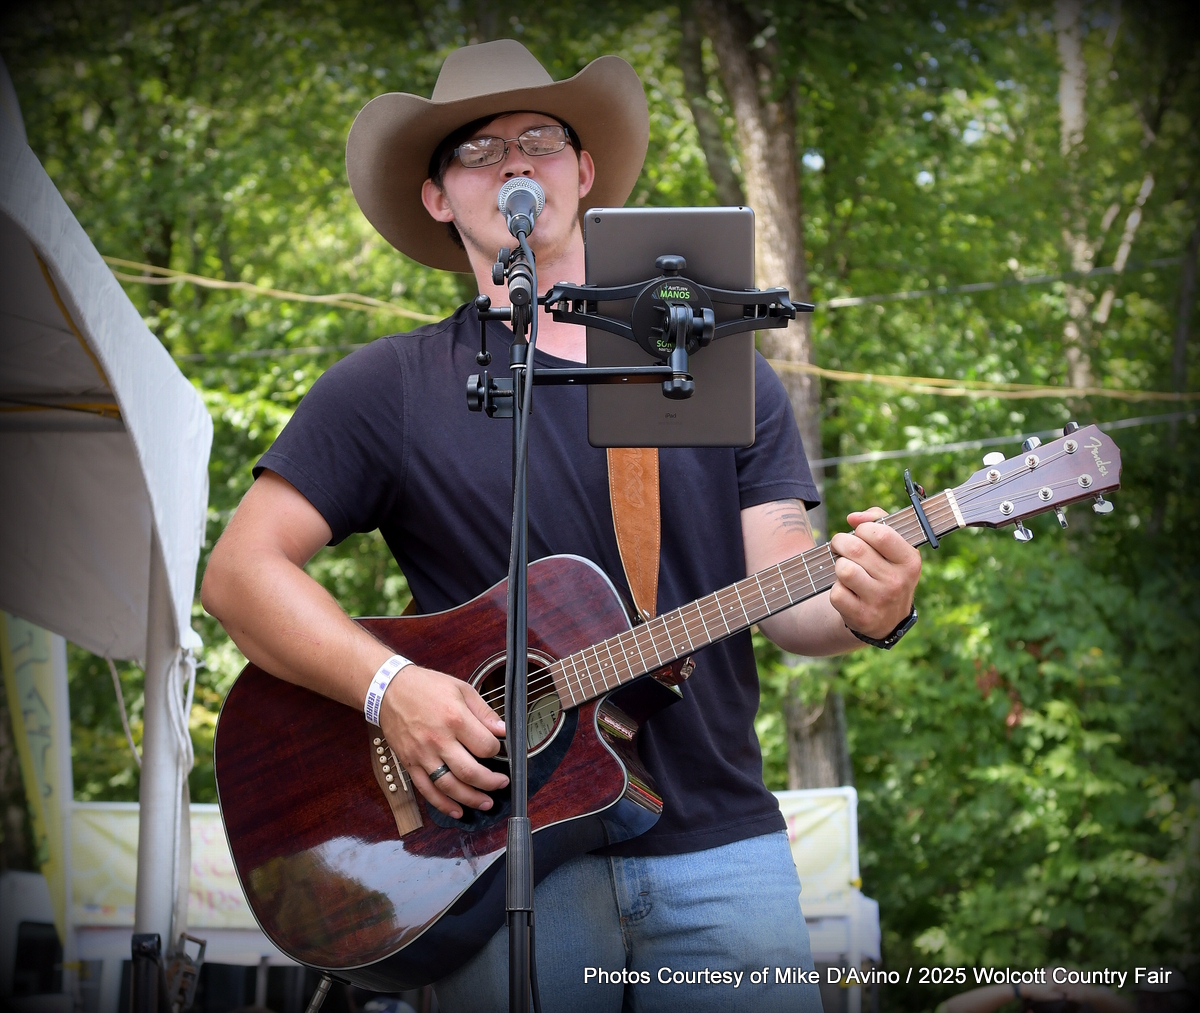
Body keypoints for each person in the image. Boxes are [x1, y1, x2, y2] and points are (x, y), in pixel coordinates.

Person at [201, 39, 922, 1013]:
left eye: (539, 138)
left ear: (582, 171)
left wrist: (871, 605)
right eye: (477, 149)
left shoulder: (701, 359)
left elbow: (790, 593)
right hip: (490, 858)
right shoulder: (392, 387)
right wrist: (391, 686)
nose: (514, 162)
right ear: (436, 196)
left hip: (719, 848)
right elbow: (240, 574)